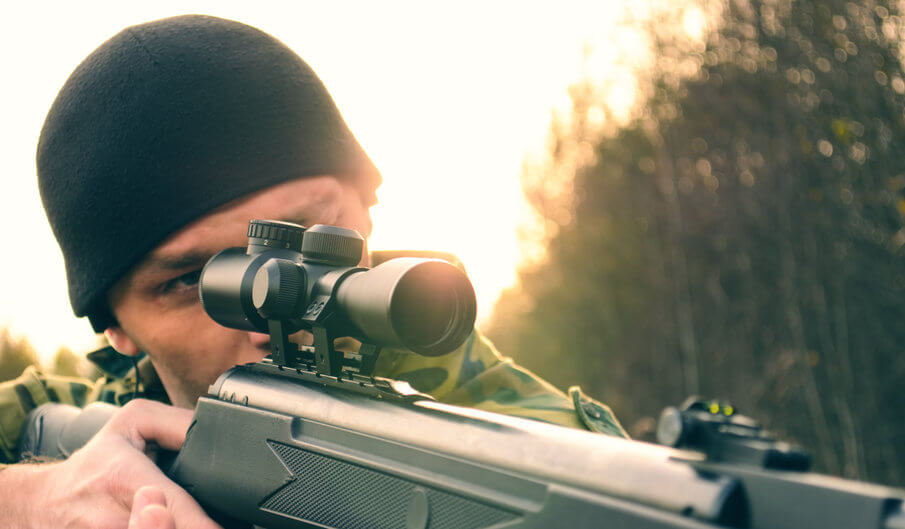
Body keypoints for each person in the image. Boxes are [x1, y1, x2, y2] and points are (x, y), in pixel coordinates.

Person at [0, 15, 626, 529]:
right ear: (117, 328)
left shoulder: (559, 463)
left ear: (365, 216)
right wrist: (34, 501)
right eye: (195, 280)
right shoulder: (92, 428)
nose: (272, 314)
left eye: (310, 237)